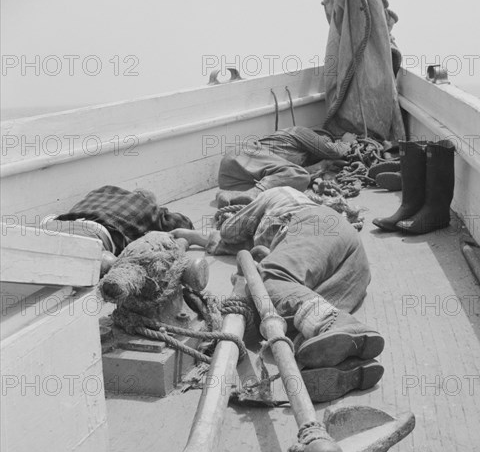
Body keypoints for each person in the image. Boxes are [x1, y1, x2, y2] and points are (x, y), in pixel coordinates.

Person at [172, 186, 385, 402]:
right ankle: (344, 366)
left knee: (266, 281)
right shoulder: (283, 234)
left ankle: (335, 321)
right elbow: (228, 245)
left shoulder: (277, 193)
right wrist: (190, 236)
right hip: (353, 271)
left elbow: (229, 232)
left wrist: (232, 221)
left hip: (319, 225)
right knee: (285, 316)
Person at [215, 126, 354, 208]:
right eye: (325, 140)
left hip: (235, 181)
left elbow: (286, 177)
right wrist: (346, 141)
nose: (325, 143)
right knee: (301, 176)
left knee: (297, 180)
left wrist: (324, 165)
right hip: (243, 155)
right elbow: (335, 151)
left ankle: (228, 195)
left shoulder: (292, 162)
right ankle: (253, 194)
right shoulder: (299, 131)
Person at [44, 185, 194, 260]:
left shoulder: (104, 190)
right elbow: (184, 224)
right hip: (93, 235)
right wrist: (160, 210)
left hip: (57, 224)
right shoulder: (147, 208)